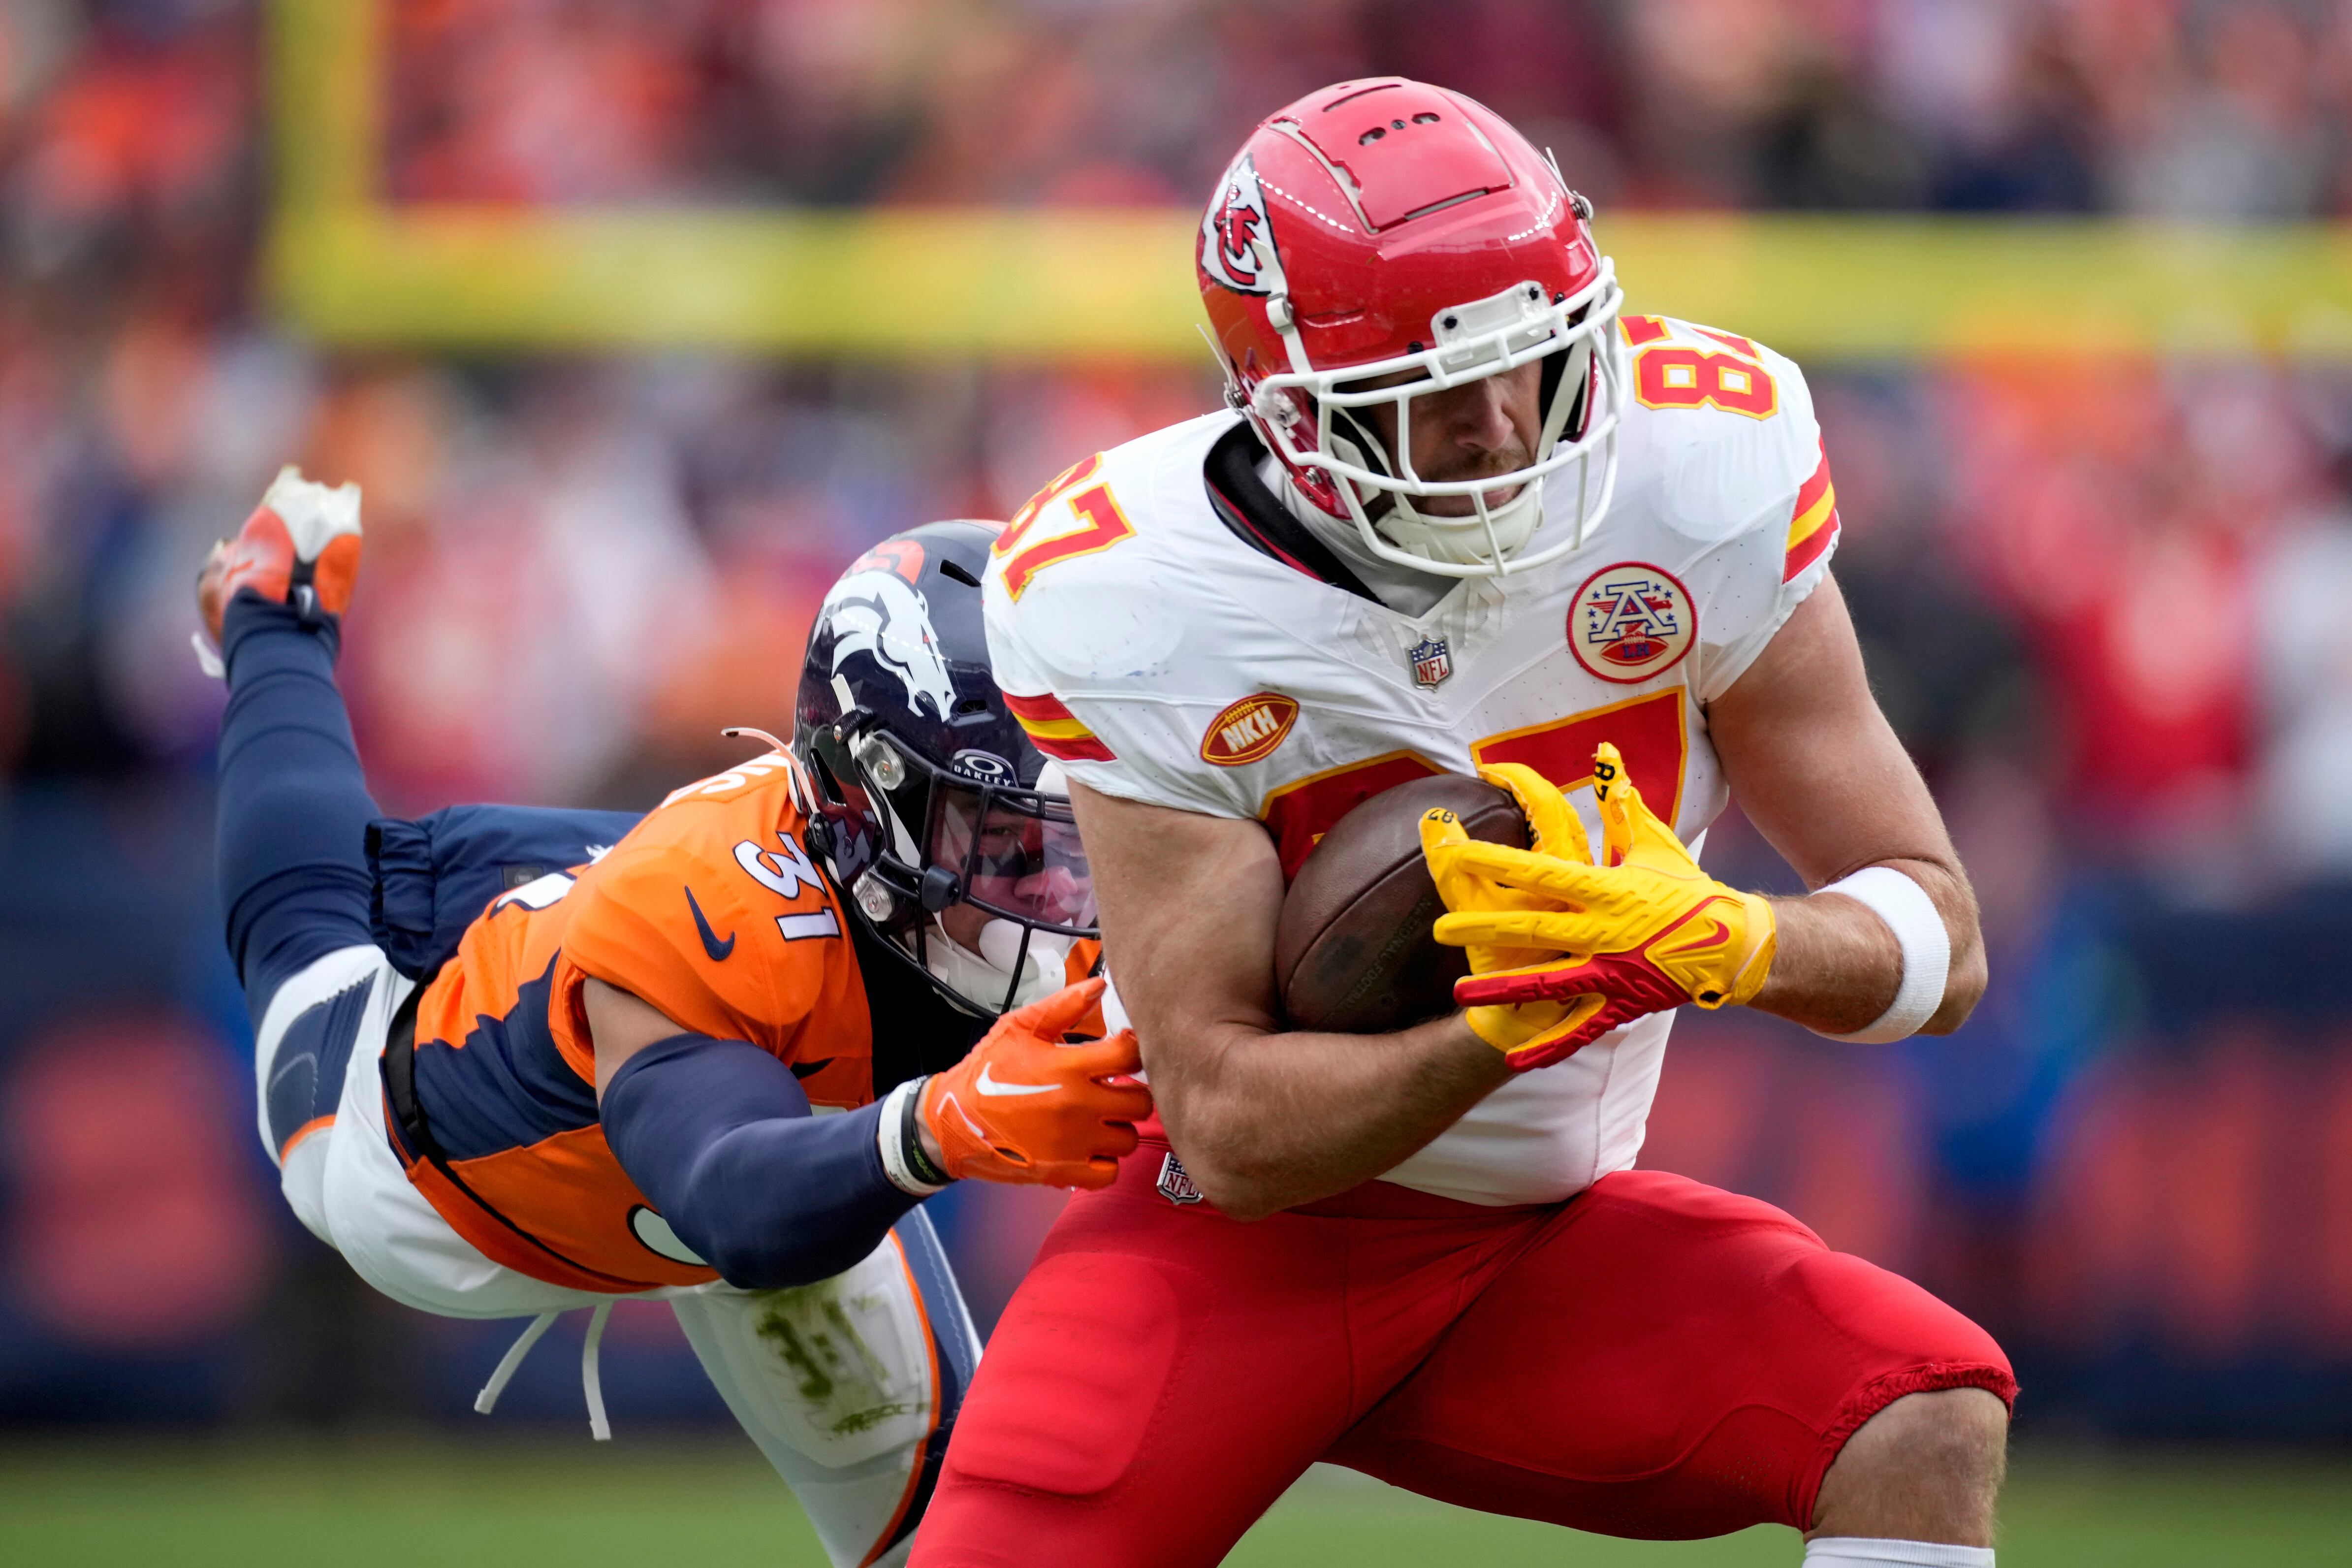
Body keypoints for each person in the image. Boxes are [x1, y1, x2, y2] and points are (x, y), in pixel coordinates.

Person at [916, 77, 2014, 1568]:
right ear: (1288, 410)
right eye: (1435, 396)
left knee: (1922, 1418)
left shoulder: (1696, 464)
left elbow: (1938, 938)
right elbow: (1232, 1129)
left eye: (1540, 365)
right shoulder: (1140, 596)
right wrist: (1501, 1029)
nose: (1508, 431)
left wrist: (1726, 943)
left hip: (1539, 1239)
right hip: (1234, 1247)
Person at [198, 478, 1147, 1568]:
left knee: (959, 1543)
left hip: (771, 1102)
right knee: (305, 922)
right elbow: (726, 1194)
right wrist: (935, 1126)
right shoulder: (707, 928)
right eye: (999, 833)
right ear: (871, 795)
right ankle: (274, 612)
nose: (1056, 881)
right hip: (426, 1173)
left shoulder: (912, 875)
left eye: (1071, 825)